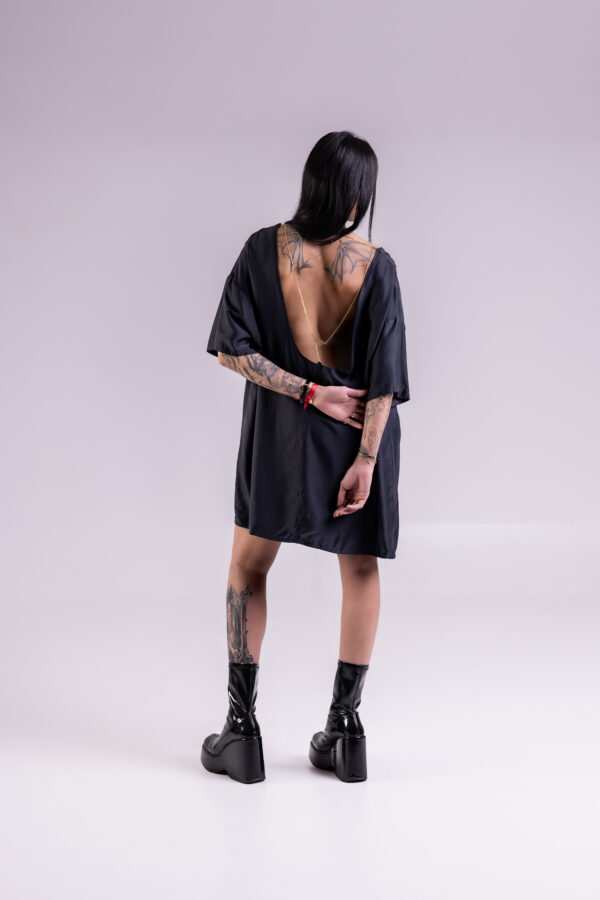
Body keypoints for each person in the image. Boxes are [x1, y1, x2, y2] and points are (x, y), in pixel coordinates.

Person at [201, 131, 410, 784]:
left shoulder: (261, 251)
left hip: (279, 438)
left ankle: (241, 730)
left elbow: (231, 350)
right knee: (361, 568)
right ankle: (345, 731)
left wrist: (306, 392)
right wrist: (366, 461)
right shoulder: (376, 265)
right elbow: (385, 381)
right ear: (356, 195)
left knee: (248, 564)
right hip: (355, 440)